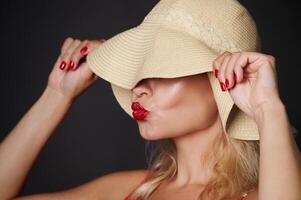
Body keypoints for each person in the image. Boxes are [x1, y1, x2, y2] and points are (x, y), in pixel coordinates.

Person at [1, 0, 301, 200]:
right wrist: (57, 95)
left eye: (164, 67)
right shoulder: (129, 189)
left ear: (223, 80)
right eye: (141, 68)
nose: (138, 87)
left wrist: (267, 110)